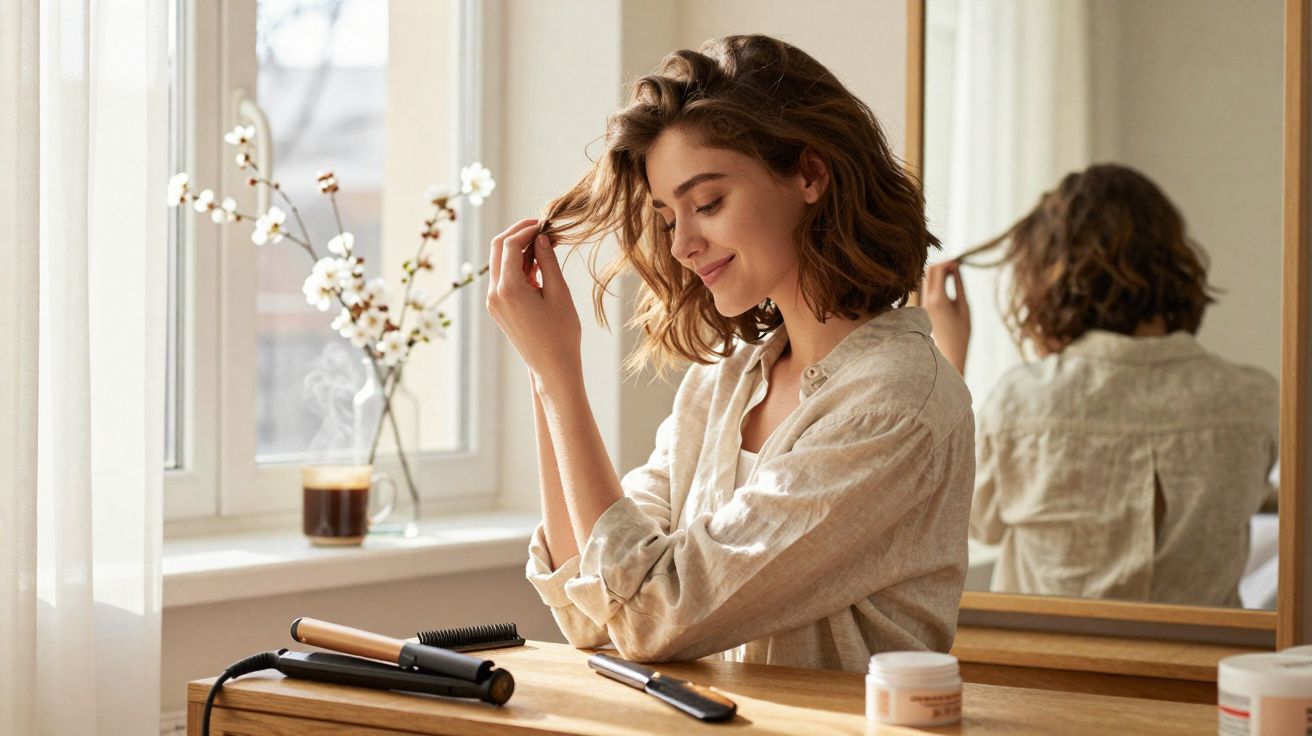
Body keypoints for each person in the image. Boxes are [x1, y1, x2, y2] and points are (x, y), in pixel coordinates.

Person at [484, 35, 974, 671]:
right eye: (667, 217)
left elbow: (649, 614)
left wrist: (560, 374)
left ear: (810, 174)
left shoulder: (896, 403)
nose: (684, 243)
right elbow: (591, 609)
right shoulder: (724, 383)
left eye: (707, 203)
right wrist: (541, 369)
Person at [924, 163, 1278, 607]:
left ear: (1048, 275)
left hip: (1051, 672)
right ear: (1173, 259)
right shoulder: (1254, 400)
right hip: (1203, 674)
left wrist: (947, 358)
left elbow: (965, 517)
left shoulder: (1024, 402)